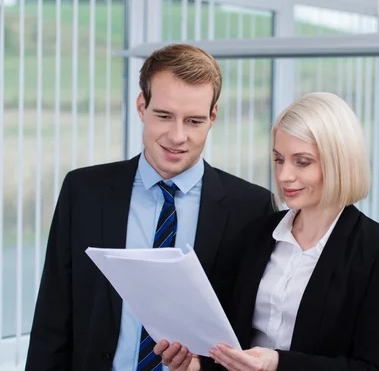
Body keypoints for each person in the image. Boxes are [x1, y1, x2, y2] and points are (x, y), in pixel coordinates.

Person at [25, 44, 273, 371]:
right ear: (142, 107)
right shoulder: (84, 191)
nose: (177, 136)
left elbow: (251, 338)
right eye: (164, 116)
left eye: (194, 121)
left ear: (213, 117)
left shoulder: (252, 208)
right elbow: (52, 320)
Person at [156, 92, 379, 371]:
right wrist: (197, 364)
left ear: (339, 162)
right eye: (279, 159)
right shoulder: (258, 234)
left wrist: (278, 363)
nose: (283, 176)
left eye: (302, 162)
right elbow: (234, 340)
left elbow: (378, 368)